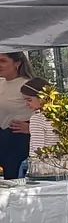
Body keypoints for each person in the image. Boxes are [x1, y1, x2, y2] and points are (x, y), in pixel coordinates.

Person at [19, 77, 60, 178]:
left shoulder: (37, 118)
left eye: (29, 100)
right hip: (60, 164)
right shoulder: (61, 115)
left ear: (42, 98)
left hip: (42, 165)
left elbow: (37, 149)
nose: (26, 104)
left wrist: (34, 169)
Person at [0, 51, 32, 179]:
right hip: (2, 138)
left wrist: (30, 128)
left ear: (17, 63)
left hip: (19, 141)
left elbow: (48, 113)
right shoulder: (1, 83)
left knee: (12, 179)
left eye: (3, 61)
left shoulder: (28, 85)